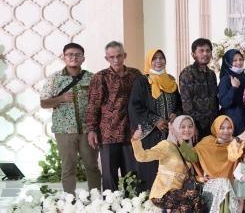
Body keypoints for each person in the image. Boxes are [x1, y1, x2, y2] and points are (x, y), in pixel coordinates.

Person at [39, 42, 101, 194]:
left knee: (92, 166)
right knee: (68, 168)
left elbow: (99, 103)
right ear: (63, 57)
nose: (73, 57)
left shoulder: (92, 78)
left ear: (83, 58)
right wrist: (61, 98)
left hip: (88, 131)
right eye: (70, 54)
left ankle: (95, 199)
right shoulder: (55, 79)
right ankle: (69, 200)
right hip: (64, 131)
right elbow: (43, 103)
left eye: (77, 55)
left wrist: (95, 128)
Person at [87, 40, 143, 191]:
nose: (116, 60)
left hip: (131, 133)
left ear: (125, 55)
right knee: (109, 175)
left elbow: (143, 100)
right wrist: (91, 130)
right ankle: (110, 204)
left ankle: (134, 203)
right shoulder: (100, 77)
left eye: (119, 56)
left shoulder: (135, 75)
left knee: (132, 173)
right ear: (107, 58)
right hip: (108, 133)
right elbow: (93, 105)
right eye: (112, 57)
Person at [130, 115, 205, 213]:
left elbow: (189, 173)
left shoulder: (188, 149)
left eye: (190, 126)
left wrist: (201, 179)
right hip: (163, 193)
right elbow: (142, 156)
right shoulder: (166, 145)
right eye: (182, 127)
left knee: (201, 208)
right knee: (194, 195)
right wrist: (136, 140)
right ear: (175, 128)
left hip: (179, 193)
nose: (187, 130)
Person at [129, 48, 182, 194]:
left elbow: (179, 103)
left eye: (161, 58)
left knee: (169, 166)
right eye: (154, 58)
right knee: (150, 165)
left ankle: (168, 198)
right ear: (149, 61)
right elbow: (135, 106)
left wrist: (176, 114)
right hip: (151, 133)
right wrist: (155, 120)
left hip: (170, 134)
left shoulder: (171, 80)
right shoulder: (142, 81)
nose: (158, 61)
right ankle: (149, 198)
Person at [194, 115, 244, 213]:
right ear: (216, 128)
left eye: (229, 128)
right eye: (222, 128)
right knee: (222, 183)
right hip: (210, 183)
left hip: (231, 184)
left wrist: (235, 144)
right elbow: (192, 158)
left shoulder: (236, 143)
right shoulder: (206, 143)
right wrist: (200, 178)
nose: (226, 131)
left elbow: (240, 161)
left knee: (224, 182)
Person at [178, 38, 219, 138]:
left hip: (211, 124)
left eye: (208, 51)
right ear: (193, 54)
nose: (205, 54)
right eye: (201, 51)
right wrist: (192, 125)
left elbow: (214, 100)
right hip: (196, 125)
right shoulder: (187, 73)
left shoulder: (211, 74)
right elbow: (186, 103)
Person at [217, 49, 245, 135]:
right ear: (228, 62)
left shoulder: (244, 77)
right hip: (232, 120)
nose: (239, 62)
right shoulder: (225, 79)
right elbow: (223, 103)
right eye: (234, 60)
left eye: (241, 59)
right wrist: (234, 88)